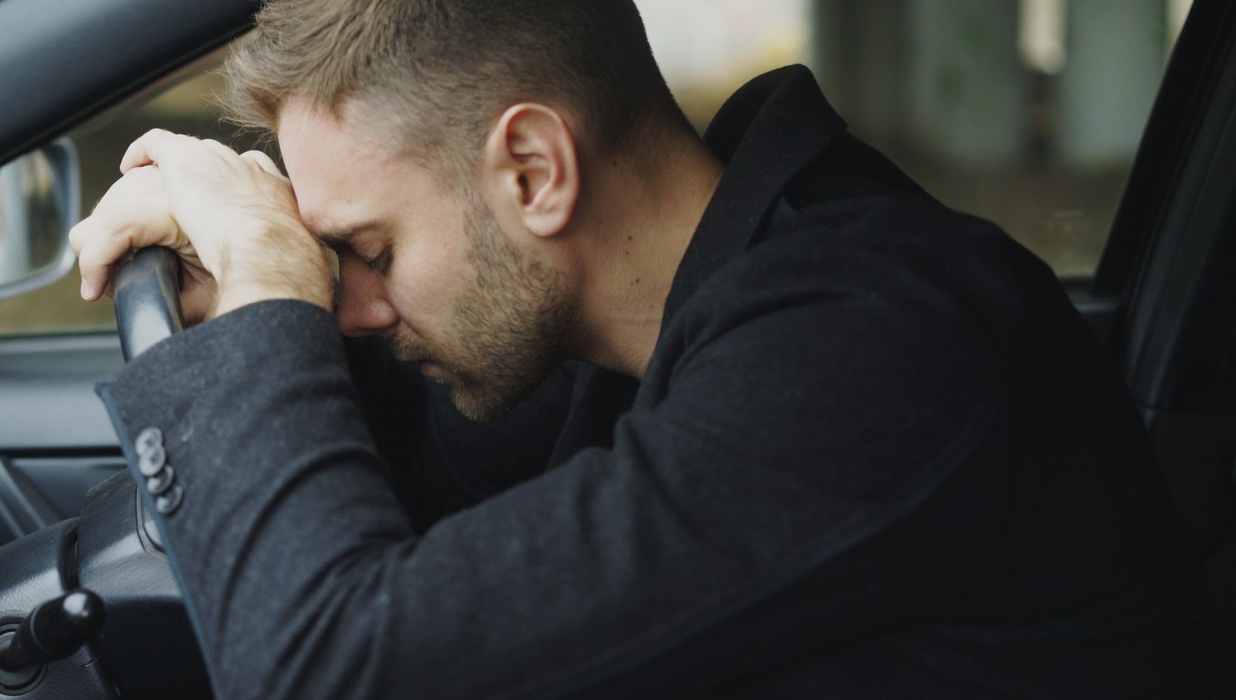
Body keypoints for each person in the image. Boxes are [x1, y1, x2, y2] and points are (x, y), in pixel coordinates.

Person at [68, 0, 1206, 696]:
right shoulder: (605, 322)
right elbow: (410, 510)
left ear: (533, 173)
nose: (352, 306)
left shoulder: (870, 347)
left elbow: (334, 671)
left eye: (367, 249)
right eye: (330, 262)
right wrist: (274, 288)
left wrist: (272, 288)